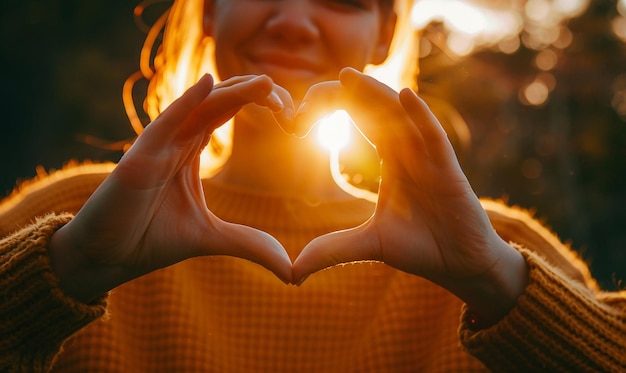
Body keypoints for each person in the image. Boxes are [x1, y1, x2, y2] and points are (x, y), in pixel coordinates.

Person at [1, 0, 624, 371]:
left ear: (385, 32)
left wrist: (498, 283)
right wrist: (67, 269)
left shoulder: (501, 252)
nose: (294, 22)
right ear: (209, 9)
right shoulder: (66, 225)